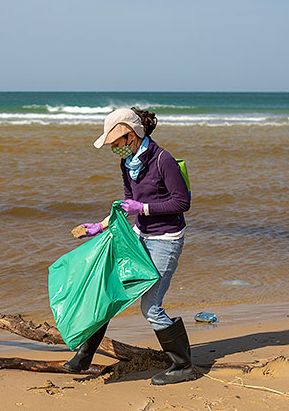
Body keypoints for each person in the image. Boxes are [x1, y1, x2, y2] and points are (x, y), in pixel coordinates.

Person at [62, 107, 198, 385]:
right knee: (107, 289)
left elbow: (182, 203)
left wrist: (143, 208)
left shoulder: (163, 160)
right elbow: (127, 204)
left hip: (166, 240)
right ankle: (84, 354)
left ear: (131, 135)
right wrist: (101, 226)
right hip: (139, 234)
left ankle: (183, 366)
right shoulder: (127, 164)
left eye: (115, 143)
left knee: (150, 307)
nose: (113, 148)